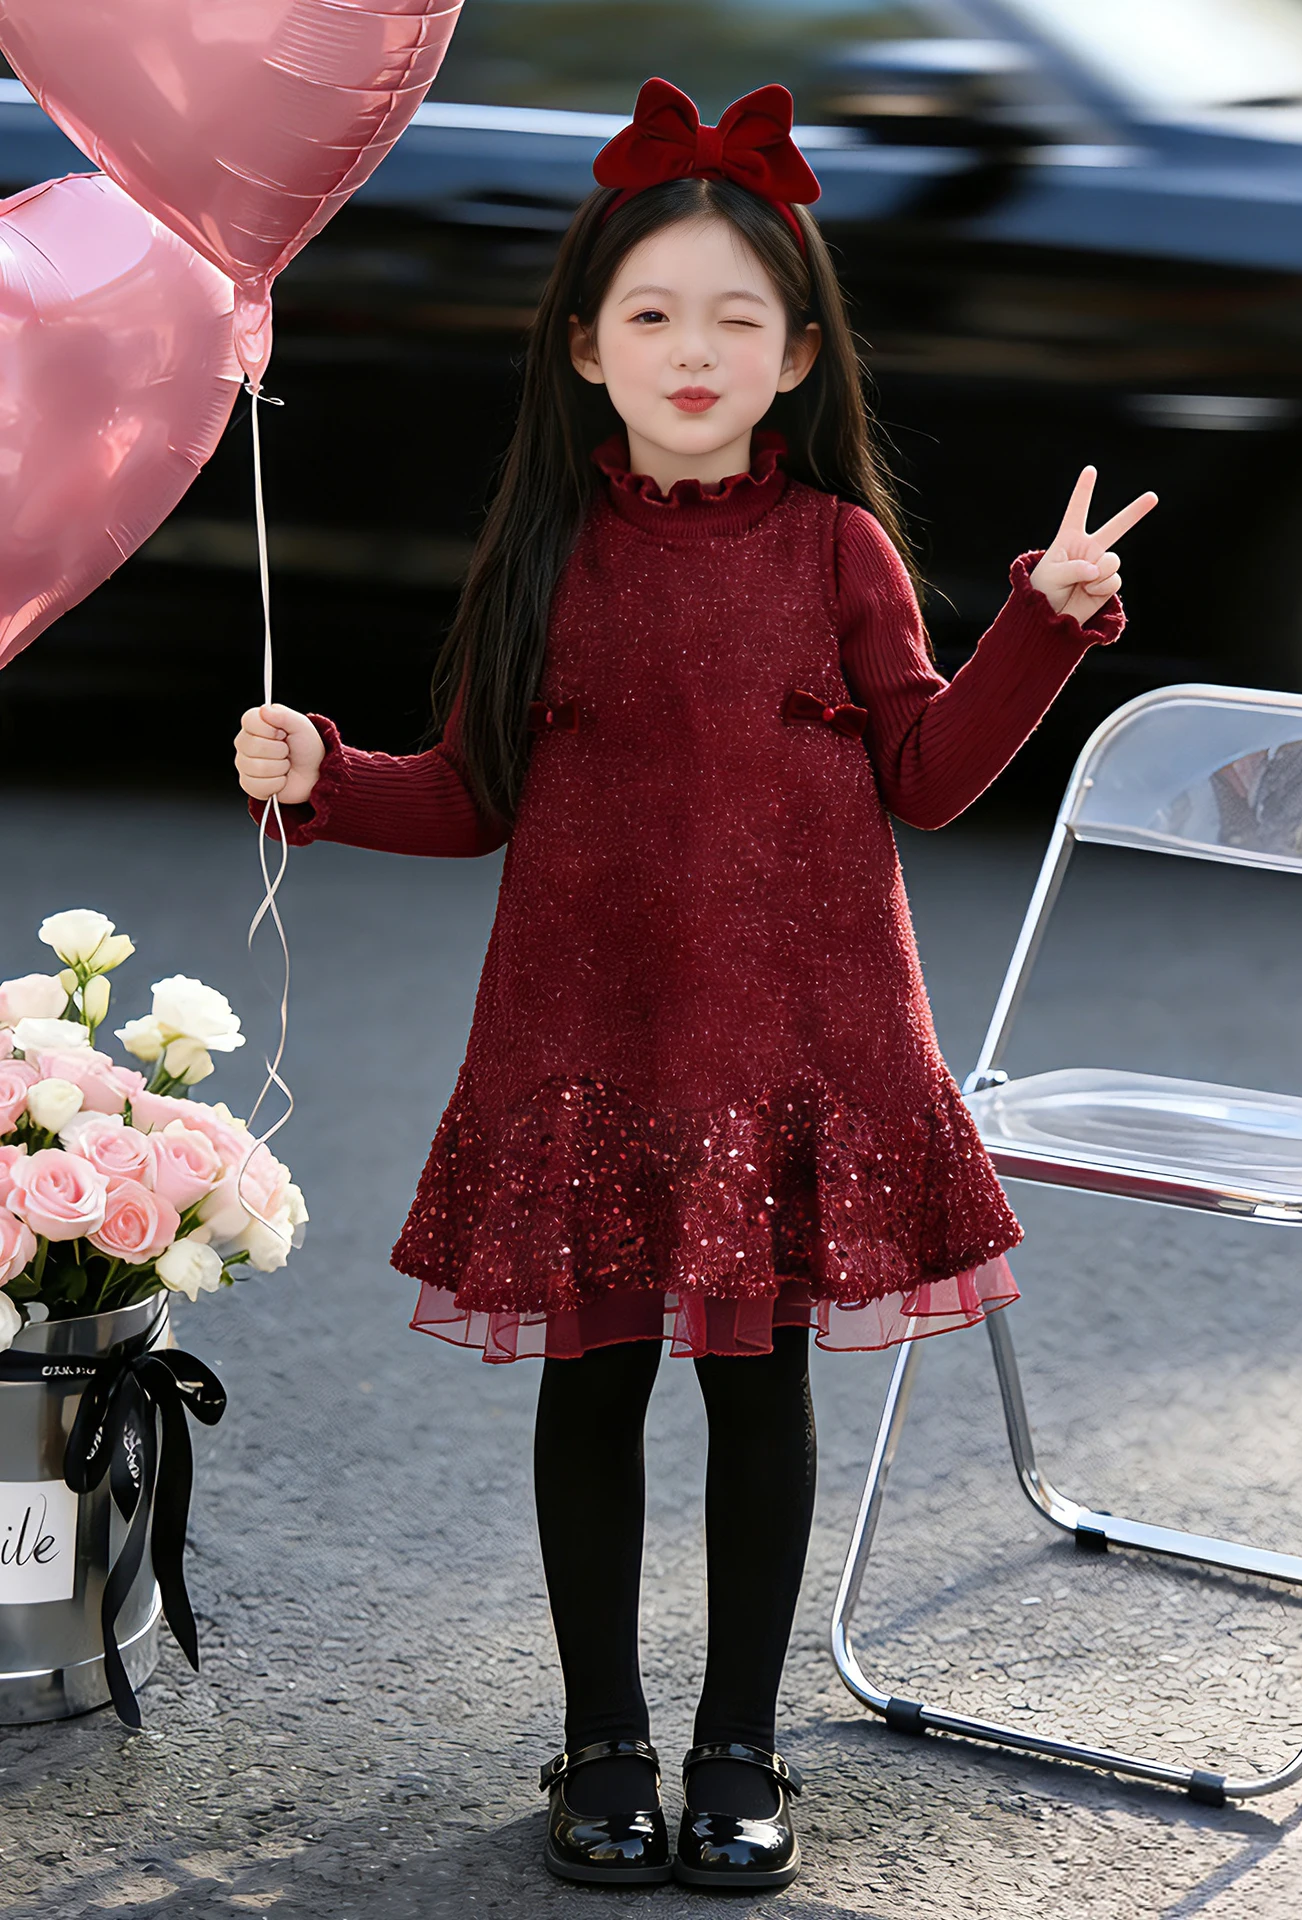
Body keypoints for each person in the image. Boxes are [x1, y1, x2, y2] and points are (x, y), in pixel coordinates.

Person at [234, 77, 1156, 1893]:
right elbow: (474, 795)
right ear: (584, 347)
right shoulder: (548, 548)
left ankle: (740, 1745)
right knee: (592, 1390)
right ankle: (604, 1741)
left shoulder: (837, 548)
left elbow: (930, 776)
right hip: (586, 1038)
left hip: (795, 1046)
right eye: (651, 313)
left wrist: (1041, 623)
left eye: (738, 319)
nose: (693, 349)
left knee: (757, 1390)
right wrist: (328, 778)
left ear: (798, 356)